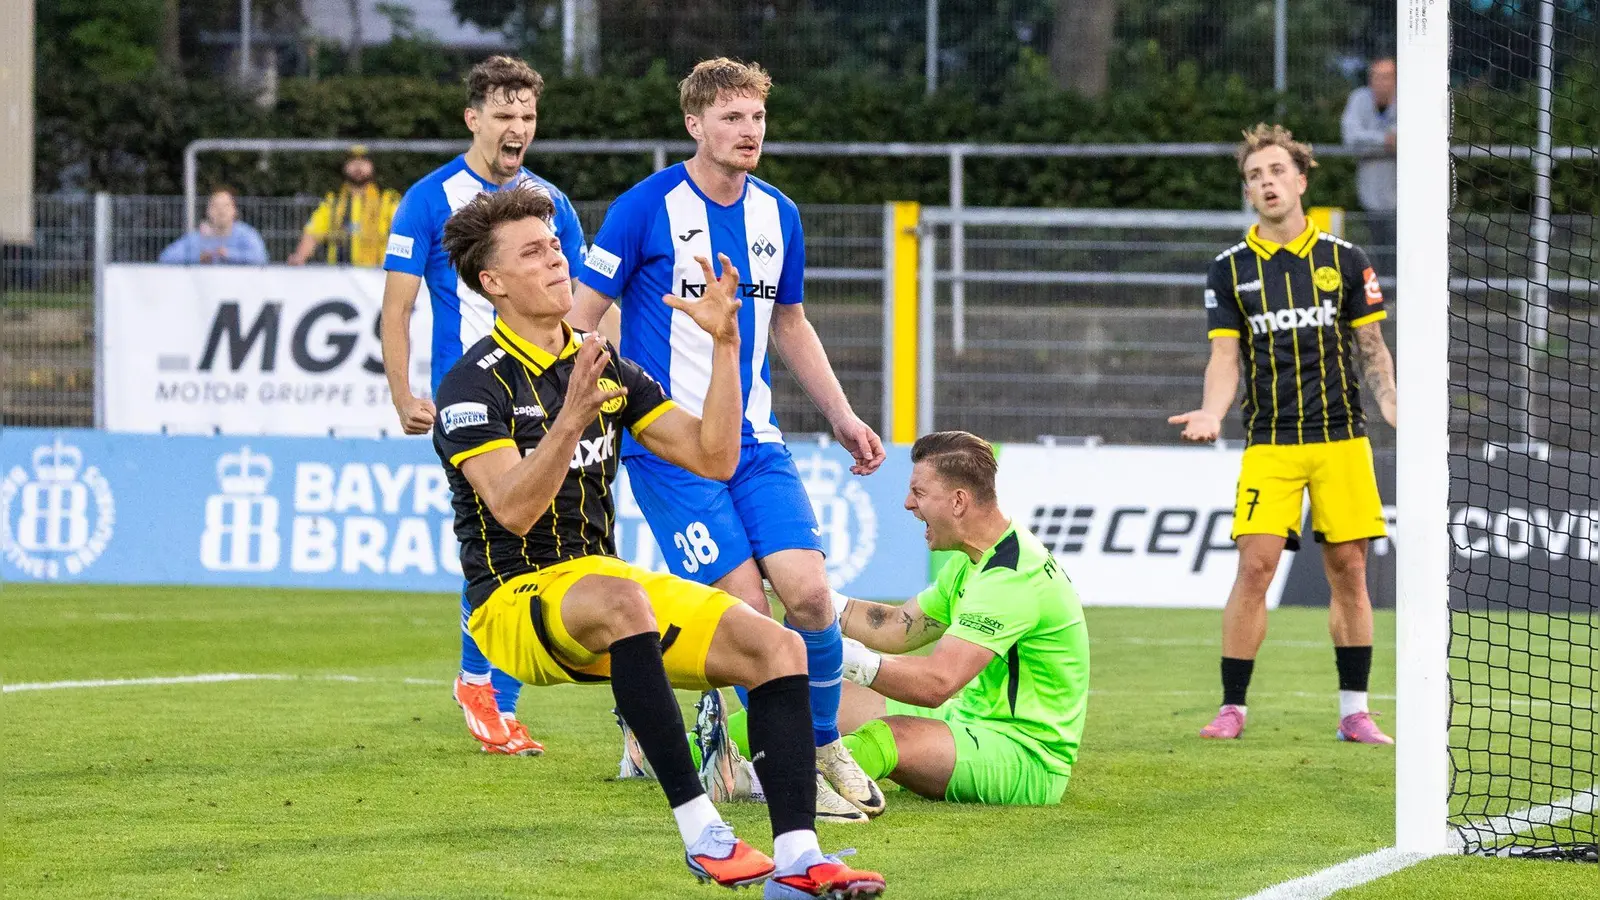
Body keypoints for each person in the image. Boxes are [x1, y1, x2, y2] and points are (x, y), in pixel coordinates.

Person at [434, 185, 885, 899]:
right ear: (493, 283)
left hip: (600, 586)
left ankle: (798, 860)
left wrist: (727, 344)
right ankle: (705, 835)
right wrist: (572, 418)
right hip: (512, 602)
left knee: (778, 646)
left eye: (555, 246)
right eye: (533, 253)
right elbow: (514, 511)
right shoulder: (472, 384)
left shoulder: (603, 364)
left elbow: (714, 456)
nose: (556, 261)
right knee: (624, 597)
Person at [567, 57, 888, 823]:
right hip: (671, 451)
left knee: (809, 594)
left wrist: (844, 416)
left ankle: (820, 744)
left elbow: (790, 323)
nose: (749, 131)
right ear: (695, 124)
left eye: (757, 118)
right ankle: (784, 766)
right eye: (732, 118)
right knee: (744, 608)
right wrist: (598, 407)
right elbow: (581, 317)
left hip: (755, 443)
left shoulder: (779, 214)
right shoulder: (644, 208)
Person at [692, 431, 1090, 807]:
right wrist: (807, 596)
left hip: (1026, 754)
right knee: (803, 704)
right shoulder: (978, 557)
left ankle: (750, 783)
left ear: (958, 501)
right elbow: (899, 626)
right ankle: (671, 758)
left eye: (919, 492)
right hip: (968, 718)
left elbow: (937, 683)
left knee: (887, 737)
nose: (907, 504)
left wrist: (838, 657)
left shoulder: (1012, 578)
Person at [380, 55, 587, 757]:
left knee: (536, 544)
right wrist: (402, 393)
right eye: (504, 115)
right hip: (471, 398)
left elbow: (577, 300)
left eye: (527, 115)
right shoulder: (429, 199)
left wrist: (597, 373)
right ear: (474, 119)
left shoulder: (550, 202)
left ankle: (489, 693)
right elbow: (398, 306)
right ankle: (488, 694)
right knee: (509, 542)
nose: (517, 127)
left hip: (545, 393)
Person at [1168, 124, 1398, 744]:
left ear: (1300, 180)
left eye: (1276, 171)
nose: (1266, 183)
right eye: (1254, 176)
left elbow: (1372, 346)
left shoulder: (1346, 260)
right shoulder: (1229, 269)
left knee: (1348, 569)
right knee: (1255, 566)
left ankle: (1355, 712)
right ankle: (1232, 708)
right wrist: (1212, 411)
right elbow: (1224, 357)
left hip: (1341, 438)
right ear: (1247, 192)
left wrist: (1392, 403)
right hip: (1269, 442)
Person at [287, 146, 402, 267]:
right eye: (353, 161)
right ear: (345, 166)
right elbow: (312, 233)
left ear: (372, 166)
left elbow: (407, 229)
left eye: (363, 161)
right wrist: (300, 256)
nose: (358, 166)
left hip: (377, 273)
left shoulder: (387, 199)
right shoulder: (333, 201)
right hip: (339, 274)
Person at [1341, 58, 1397, 264]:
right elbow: (1351, 139)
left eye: (1387, 76)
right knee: (1375, 253)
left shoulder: (1409, 98)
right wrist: (1385, 141)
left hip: (1401, 197)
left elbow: (1409, 139)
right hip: (1369, 196)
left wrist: (1374, 142)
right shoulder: (1359, 99)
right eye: (1376, 76)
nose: (1381, 82)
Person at [158, 188, 268, 265]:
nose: (221, 211)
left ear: (234, 211)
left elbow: (261, 258)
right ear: (208, 211)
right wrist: (198, 257)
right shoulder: (197, 237)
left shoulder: (246, 234)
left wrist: (229, 254)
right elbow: (165, 257)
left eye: (226, 206)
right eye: (216, 206)